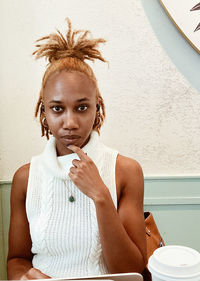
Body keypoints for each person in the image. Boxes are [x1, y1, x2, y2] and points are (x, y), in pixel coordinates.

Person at [7, 18, 147, 280]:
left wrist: (101, 195)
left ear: (98, 109)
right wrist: (23, 278)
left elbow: (131, 270)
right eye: (57, 108)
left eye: (82, 107)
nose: (70, 123)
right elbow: (17, 259)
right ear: (44, 112)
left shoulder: (126, 171)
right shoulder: (25, 178)